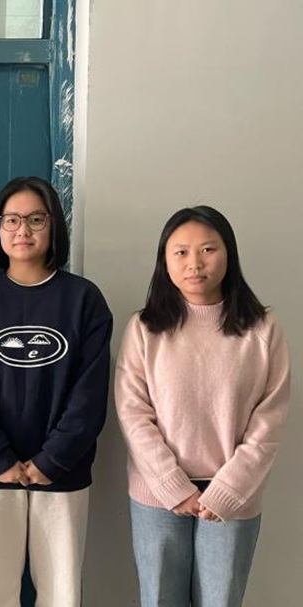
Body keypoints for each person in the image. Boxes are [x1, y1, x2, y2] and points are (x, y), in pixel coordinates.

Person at [115, 205, 291, 607]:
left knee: (221, 600)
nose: (194, 263)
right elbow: (132, 411)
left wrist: (229, 490)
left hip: (234, 493)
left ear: (229, 254)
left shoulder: (263, 330)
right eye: (180, 252)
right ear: (164, 261)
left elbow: (271, 419)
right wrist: (172, 485)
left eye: (208, 249)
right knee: (160, 599)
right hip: (157, 494)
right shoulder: (144, 328)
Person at [0, 176, 112, 607]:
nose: (23, 230)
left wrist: (52, 459)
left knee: (62, 594)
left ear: (54, 225)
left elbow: (89, 395)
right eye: (12, 220)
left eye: (36, 219)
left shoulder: (84, 300)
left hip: (62, 473)